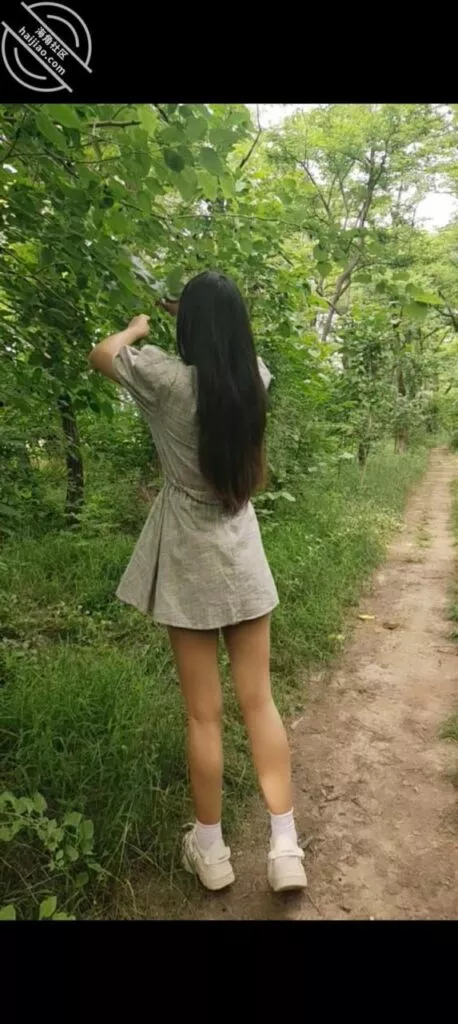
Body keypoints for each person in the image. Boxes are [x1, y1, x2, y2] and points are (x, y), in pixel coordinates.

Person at [89, 271, 307, 893]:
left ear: (186, 323)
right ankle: (285, 848)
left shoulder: (165, 379)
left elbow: (103, 354)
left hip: (187, 556)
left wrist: (139, 326)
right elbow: (223, 350)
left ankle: (211, 851)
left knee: (203, 716)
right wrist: (204, 316)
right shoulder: (255, 377)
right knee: (259, 702)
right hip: (241, 552)